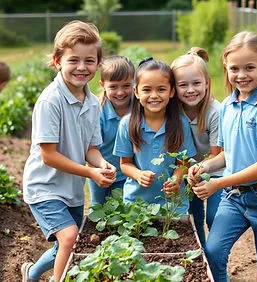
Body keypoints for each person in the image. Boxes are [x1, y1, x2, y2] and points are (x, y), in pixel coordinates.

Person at [188, 31, 257, 282]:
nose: (241, 75)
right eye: (235, 68)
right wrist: (203, 167)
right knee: (212, 253)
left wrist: (217, 183)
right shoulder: (229, 106)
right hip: (235, 198)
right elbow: (225, 156)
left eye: (249, 67)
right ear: (225, 67)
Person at [21, 20, 116, 282]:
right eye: (74, 60)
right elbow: (49, 155)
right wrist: (90, 172)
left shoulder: (93, 102)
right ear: (57, 60)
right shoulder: (51, 101)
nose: (82, 67)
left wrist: (101, 164)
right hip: (44, 186)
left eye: (89, 61)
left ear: (98, 64)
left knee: (69, 243)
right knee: (70, 237)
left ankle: (31, 274)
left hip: (71, 188)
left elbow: (91, 148)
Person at [113, 58, 196, 214]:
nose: (154, 95)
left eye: (161, 89)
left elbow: (184, 162)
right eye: (147, 90)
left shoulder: (180, 124)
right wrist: (138, 174)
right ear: (136, 92)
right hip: (136, 203)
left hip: (172, 204)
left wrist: (176, 179)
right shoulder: (127, 124)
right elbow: (125, 164)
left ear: (171, 91)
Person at [171, 46, 224, 247]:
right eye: (183, 85)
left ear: (207, 83)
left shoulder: (215, 112)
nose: (190, 90)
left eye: (196, 83)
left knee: (214, 218)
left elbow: (215, 154)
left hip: (215, 171)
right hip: (184, 170)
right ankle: (201, 255)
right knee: (192, 217)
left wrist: (199, 169)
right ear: (174, 88)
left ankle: (215, 255)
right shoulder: (173, 112)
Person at [88, 55, 135, 206]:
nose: (120, 92)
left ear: (135, 84)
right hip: (100, 169)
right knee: (98, 207)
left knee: (124, 208)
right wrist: (98, 170)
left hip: (127, 171)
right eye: (113, 87)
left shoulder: (140, 108)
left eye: (126, 86)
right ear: (102, 85)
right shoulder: (98, 112)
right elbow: (90, 148)